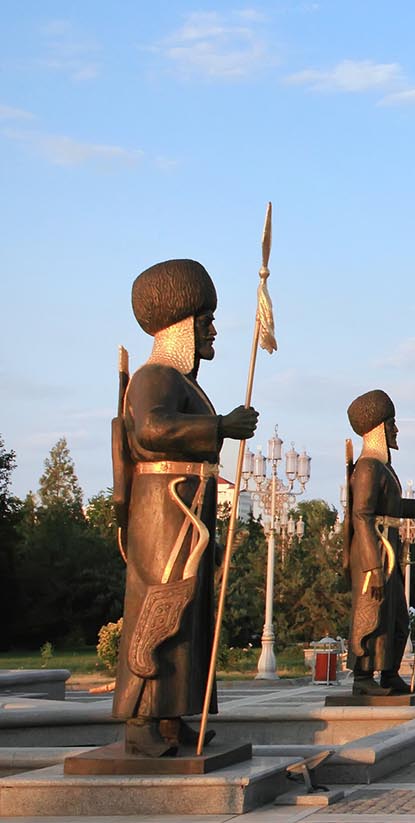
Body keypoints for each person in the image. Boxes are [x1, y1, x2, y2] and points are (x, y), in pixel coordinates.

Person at [112, 259, 259, 756]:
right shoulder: (156, 376)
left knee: (188, 614)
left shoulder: (188, 383)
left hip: (187, 510)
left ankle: (172, 717)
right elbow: (151, 430)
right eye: (205, 321)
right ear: (180, 326)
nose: (213, 330)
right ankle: (141, 720)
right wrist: (219, 428)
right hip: (164, 509)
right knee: (161, 607)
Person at [345, 389, 415, 696]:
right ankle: (362, 678)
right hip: (373, 554)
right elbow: (362, 515)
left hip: (389, 551)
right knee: (372, 614)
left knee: (396, 617)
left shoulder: (383, 468)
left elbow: (392, 508)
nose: (396, 430)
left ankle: (389, 673)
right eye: (392, 424)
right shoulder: (367, 468)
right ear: (378, 429)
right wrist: (373, 566)